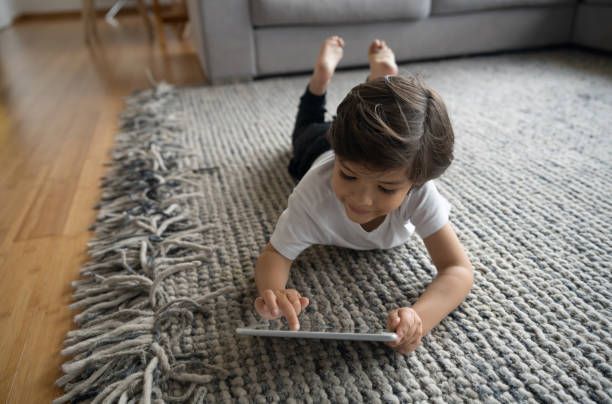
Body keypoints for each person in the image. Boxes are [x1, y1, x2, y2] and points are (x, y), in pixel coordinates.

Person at [253, 36, 474, 354]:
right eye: (349, 175)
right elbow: (274, 255)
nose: (362, 198)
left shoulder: (420, 191)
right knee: (304, 133)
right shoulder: (315, 191)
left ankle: (382, 83)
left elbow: (458, 270)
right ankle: (321, 78)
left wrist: (419, 318)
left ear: (416, 182)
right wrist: (274, 290)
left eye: (386, 188)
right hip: (320, 146)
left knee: (383, 138)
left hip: (361, 146)